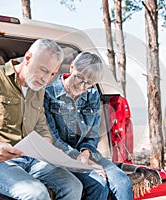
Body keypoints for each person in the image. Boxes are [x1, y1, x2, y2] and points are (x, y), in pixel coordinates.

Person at [0, 39, 83, 200]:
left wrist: (47, 149)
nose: (45, 79)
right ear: (28, 59)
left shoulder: (38, 89)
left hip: (30, 160)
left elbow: (41, 127)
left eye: (52, 74)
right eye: (43, 70)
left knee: (73, 186)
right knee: (36, 193)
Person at [44, 52, 133, 200]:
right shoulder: (49, 93)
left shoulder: (92, 94)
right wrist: (80, 159)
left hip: (86, 155)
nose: (82, 86)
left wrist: (86, 154)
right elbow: (52, 138)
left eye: (89, 83)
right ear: (72, 68)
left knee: (122, 182)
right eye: (79, 78)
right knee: (98, 183)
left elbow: (92, 134)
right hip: (61, 156)